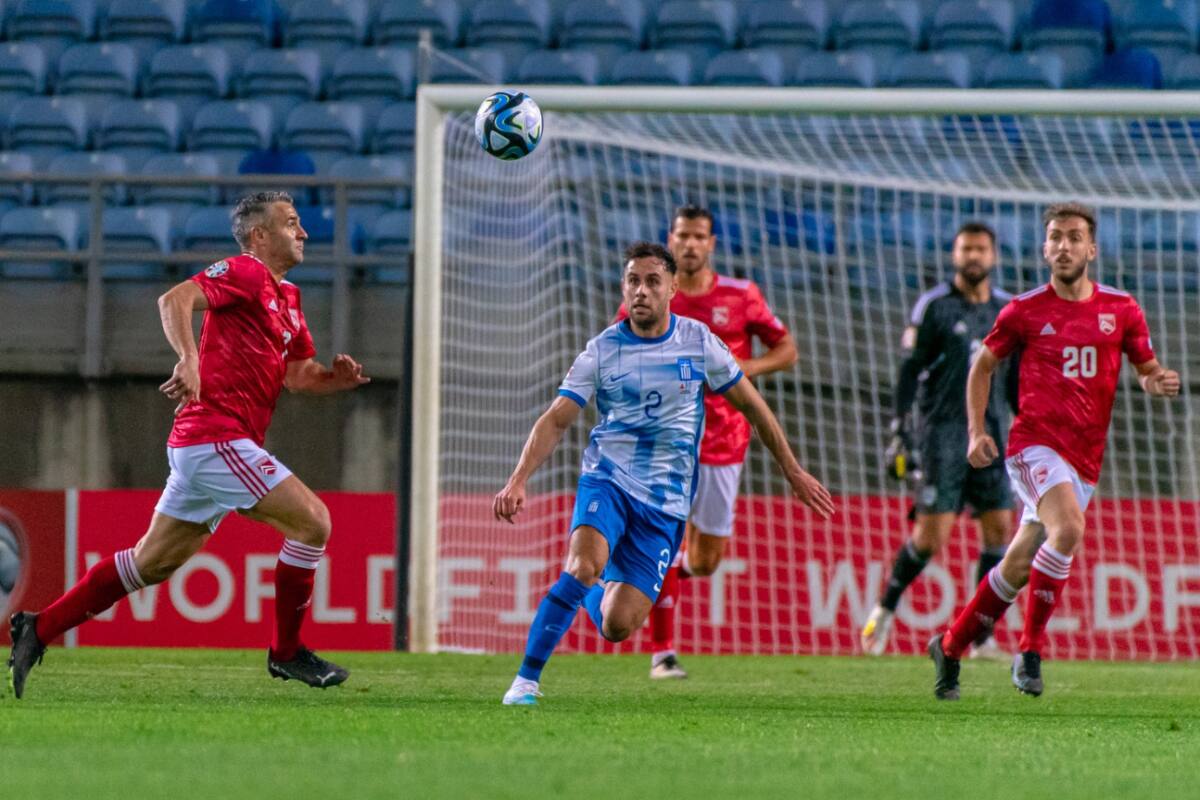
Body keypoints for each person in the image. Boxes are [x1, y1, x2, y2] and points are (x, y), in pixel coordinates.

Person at [7, 192, 371, 699]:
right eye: (291, 224)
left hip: (214, 446)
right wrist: (188, 358)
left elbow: (298, 376)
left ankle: (37, 628)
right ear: (259, 236)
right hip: (215, 436)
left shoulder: (288, 298)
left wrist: (337, 378)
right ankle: (286, 652)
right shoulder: (244, 272)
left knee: (150, 563)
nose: (303, 232)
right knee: (314, 522)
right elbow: (173, 299)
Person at [495, 241, 834, 705]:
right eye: (633, 281)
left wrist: (792, 470)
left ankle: (588, 587)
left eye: (653, 281)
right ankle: (525, 682)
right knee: (581, 565)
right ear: (623, 287)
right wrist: (518, 479)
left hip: (666, 502)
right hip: (608, 481)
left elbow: (754, 407)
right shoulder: (602, 349)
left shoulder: (698, 343)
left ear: (673, 288)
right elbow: (557, 418)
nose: (641, 291)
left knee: (617, 625)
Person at [928, 202, 1180, 700]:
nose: (1063, 246)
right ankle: (1031, 649)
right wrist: (977, 432)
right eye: (1055, 238)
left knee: (1019, 563)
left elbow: (1145, 367)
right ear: (1044, 249)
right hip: (1034, 446)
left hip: (1085, 458)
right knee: (1069, 528)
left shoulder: (1121, 309)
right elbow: (983, 366)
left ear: (1092, 248)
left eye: (1073, 237)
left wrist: (1157, 381)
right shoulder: (1023, 310)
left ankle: (951, 646)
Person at [616, 205, 797, 679]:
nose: (690, 244)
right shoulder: (652, 292)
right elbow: (620, 349)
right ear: (671, 240)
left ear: (711, 243)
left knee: (705, 561)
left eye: (699, 236)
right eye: (682, 236)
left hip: (725, 442)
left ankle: (649, 586)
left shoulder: (740, 296)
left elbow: (786, 350)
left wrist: (739, 373)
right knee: (668, 545)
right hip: (666, 441)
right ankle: (663, 653)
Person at [861, 222, 1015, 658]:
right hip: (942, 435)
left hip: (993, 434)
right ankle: (885, 610)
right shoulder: (934, 306)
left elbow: (1015, 378)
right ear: (954, 255)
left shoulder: (1006, 310)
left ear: (994, 256)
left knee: (999, 529)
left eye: (981, 248)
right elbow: (909, 373)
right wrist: (899, 431)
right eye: (966, 248)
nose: (973, 255)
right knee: (931, 538)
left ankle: (981, 637)